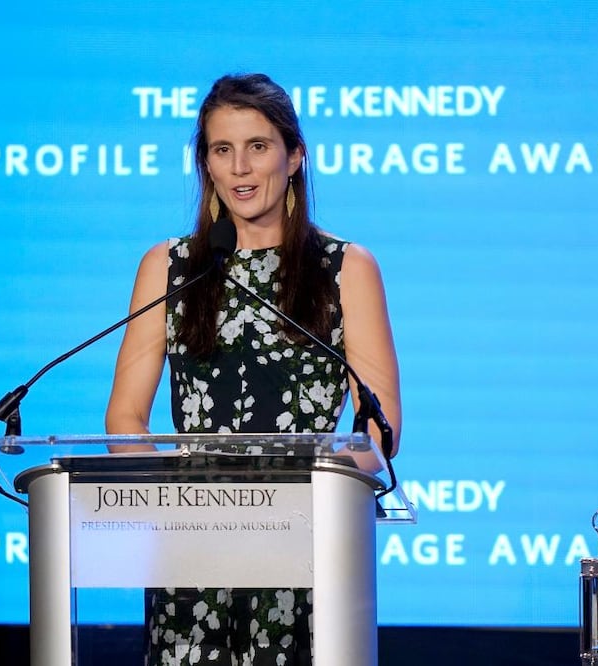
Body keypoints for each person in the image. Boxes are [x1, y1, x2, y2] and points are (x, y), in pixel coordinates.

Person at [105, 73, 402, 665]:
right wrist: (179, 500)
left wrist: (294, 496)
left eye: (258, 147)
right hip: (190, 553)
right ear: (207, 166)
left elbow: (379, 429)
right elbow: (125, 416)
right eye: (223, 150)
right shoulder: (170, 266)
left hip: (307, 548)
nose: (241, 167)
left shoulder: (343, 267)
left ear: (294, 156)